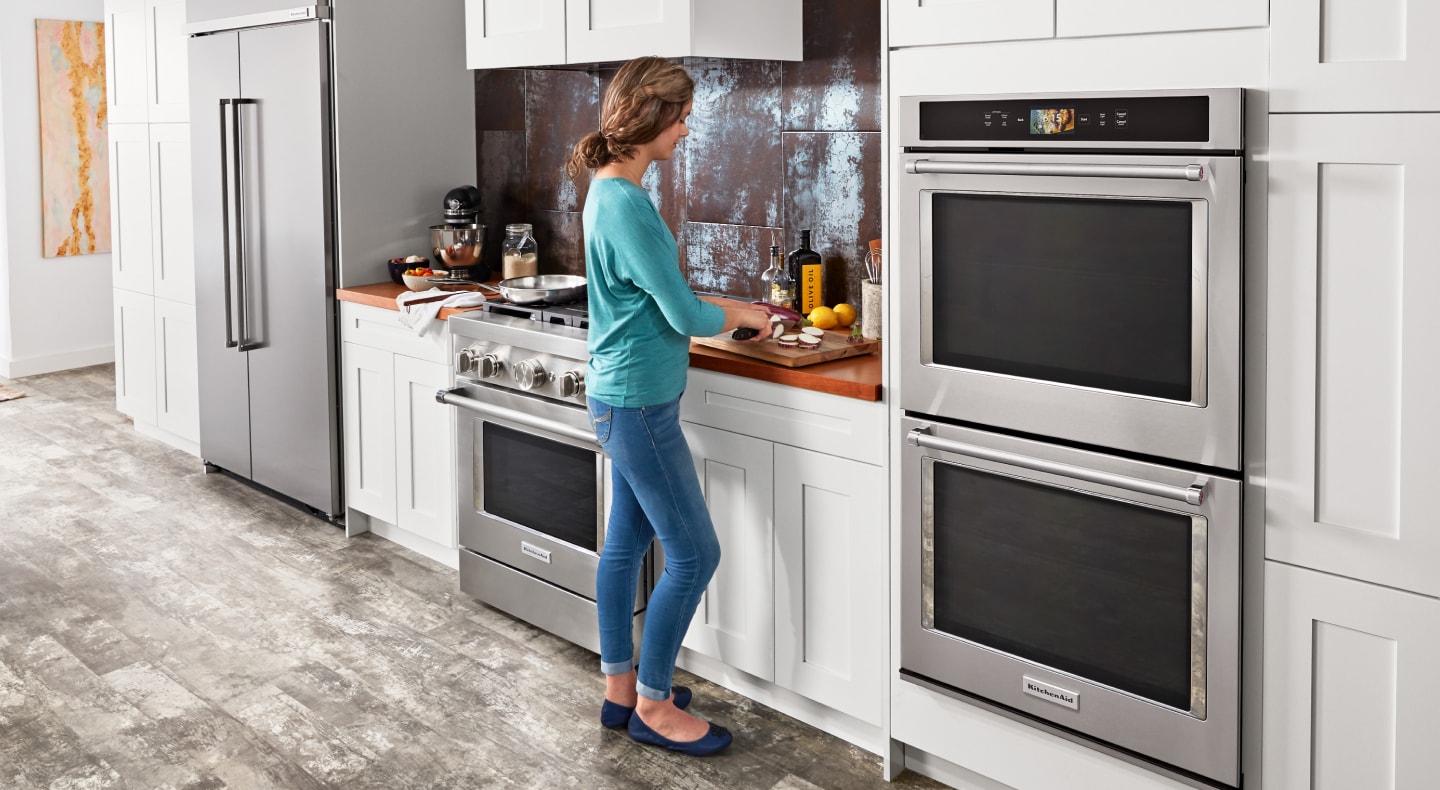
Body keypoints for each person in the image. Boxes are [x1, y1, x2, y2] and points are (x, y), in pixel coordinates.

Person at [564, 56, 771, 756]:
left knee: (625, 544)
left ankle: (621, 689)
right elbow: (682, 312)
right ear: (652, 118)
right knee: (694, 553)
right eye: (681, 114)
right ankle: (654, 702)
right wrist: (748, 313)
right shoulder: (626, 202)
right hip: (638, 404)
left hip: (623, 396)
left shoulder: (607, 191)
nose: (687, 128)